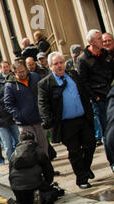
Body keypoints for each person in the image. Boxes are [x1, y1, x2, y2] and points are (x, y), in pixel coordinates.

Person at [38, 52, 96, 189]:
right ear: (50, 66)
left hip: (83, 119)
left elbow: (84, 91)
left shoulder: (73, 75)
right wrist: (48, 121)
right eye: (56, 64)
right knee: (74, 151)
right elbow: (43, 104)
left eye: (61, 63)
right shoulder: (45, 84)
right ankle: (81, 179)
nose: (59, 66)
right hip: (65, 124)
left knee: (91, 145)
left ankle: (85, 168)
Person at [77, 29, 114, 172]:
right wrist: (95, 97)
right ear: (91, 42)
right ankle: (112, 161)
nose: (102, 41)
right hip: (99, 99)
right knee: (107, 131)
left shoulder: (106, 54)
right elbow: (83, 82)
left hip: (110, 94)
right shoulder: (83, 59)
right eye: (99, 39)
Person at [7, 132, 61, 204]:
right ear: (34, 139)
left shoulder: (13, 154)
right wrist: (47, 184)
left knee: (23, 202)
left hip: (17, 187)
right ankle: (43, 200)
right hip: (34, 184)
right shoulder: (38, 151)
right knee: (53, 192)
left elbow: (10, 174)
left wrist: (15, 189)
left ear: (20, 140)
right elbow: (48, 171)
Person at [4, 59, 50, 157]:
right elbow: (8, 104)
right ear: (15, 72)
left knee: (44, 146)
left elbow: (43, 92)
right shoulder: (10, 85)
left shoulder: (34, 77)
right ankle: (37, 171)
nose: (22, 74)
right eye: (19, 72)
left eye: (24, 71)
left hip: (38, 118)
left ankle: (47, 170)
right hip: (24, 123)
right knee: (31, 148)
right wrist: (18, 115)